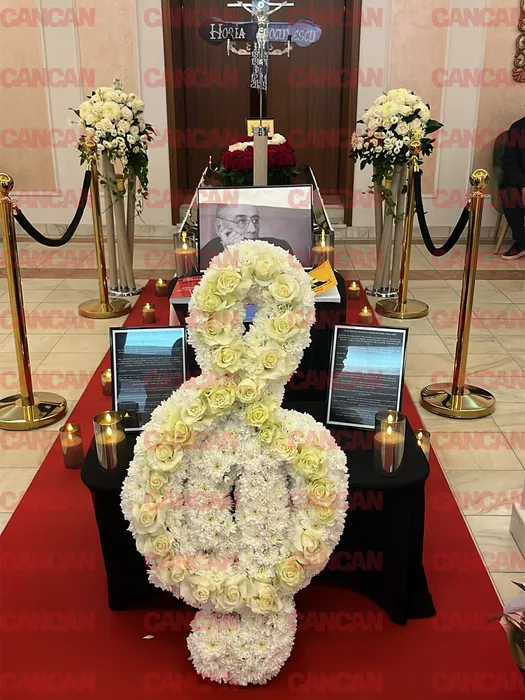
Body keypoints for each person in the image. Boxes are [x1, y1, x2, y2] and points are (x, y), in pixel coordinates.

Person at [199, 203, 293, 269]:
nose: (253, 229)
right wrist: (232, 255)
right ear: (220, 227)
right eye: (241, 221)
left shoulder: (280, 248)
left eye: (255, 220)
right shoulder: (207, 255)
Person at [501, 119, 525, 260]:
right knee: (510, 195)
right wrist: (523, 185)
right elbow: (509, 162)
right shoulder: (518, 127)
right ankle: (522, 242)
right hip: (520, 183)